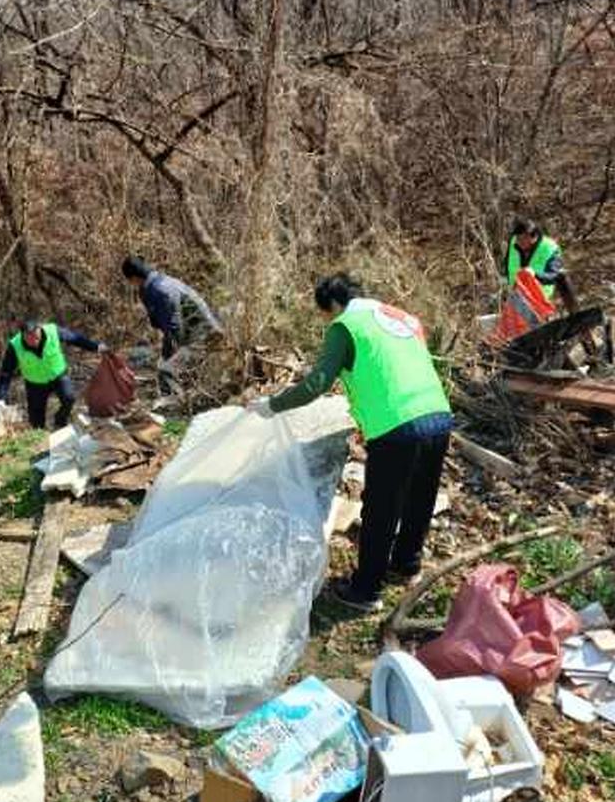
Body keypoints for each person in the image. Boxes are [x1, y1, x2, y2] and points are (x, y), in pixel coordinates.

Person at [248, 273, 452, 615]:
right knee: (420, 496)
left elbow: (317, 383)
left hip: (396, 424)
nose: (327, 321)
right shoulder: (400, 317)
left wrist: (272, 406)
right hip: (438, 412)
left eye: (324, 314)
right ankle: (406, 565)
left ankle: (366, 589)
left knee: (381, 507)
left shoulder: (346, 325)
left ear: (331, 305)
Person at [121, 256, 223, 389]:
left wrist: (167, 357)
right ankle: (184, 395)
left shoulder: (159, 290)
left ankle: (170, 407)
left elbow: (175, 329)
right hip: (194, 335)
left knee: (166, 371)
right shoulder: (154, 283)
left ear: (133, 278)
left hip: (205, 337)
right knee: (165, 365)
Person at [0, 319, 105, 429]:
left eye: (36, 335)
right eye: (29, 337)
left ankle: (59, 421)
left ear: (40, 329)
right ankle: (42, 438)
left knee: (69, 398)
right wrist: (1, 398)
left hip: (59, 377)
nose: (34, 340)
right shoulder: (15, 345)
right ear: (22, 335)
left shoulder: (52, 331)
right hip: (35, 385)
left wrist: (96, 347)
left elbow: (75, 339)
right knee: (36, 423)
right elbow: (6, 373)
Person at [503, 217, 580, 314]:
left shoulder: (550, 248)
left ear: (533, 237)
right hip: (515, 297)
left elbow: (554, 275)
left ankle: (575, 315)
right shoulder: (514, 241)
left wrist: (535, 275)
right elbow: (508, 263)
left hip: (539, 300)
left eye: (523, 239)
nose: (518, 242)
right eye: (518, 238)